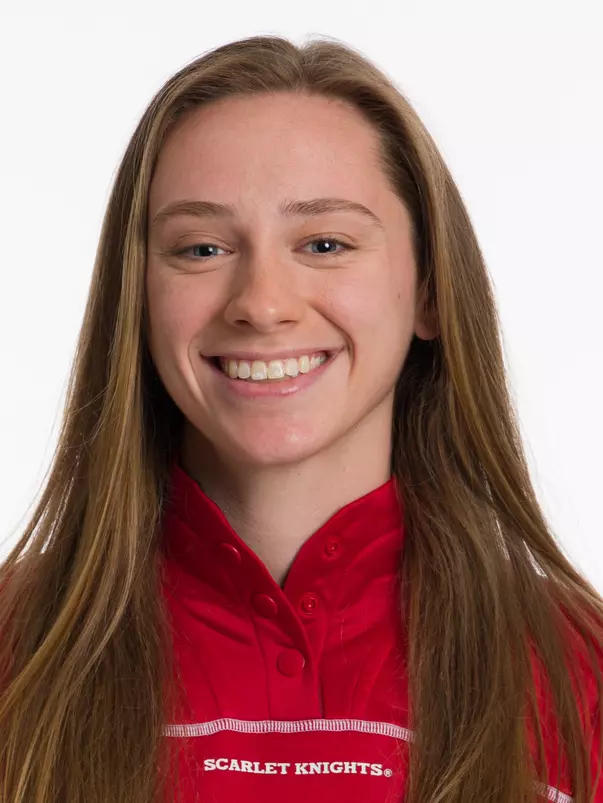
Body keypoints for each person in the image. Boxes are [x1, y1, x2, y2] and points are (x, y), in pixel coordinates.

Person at [0, 33, 601, 803]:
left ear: (427, 291)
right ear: (137, 298)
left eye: (324, 242)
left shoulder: (579, 674)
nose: (261, 303)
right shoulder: (19, 661)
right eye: (202, 247)